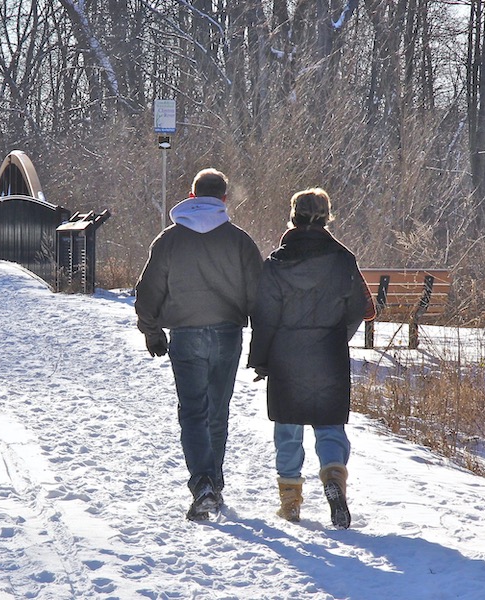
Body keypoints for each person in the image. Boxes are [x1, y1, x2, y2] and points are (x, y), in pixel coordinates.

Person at [135, 168, 263, 521]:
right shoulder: (239, 241)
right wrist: (263, 343)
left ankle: (202, 483)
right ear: (223, 199)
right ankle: (214, 483)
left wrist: (151, 328)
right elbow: (259, 293)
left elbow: (148, 290)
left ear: (192, 197)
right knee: (217, 411)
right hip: (226, 332)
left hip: (186, 334)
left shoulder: (169, 240)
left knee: (192, 411)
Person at [248, 187, 375, 529]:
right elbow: (359, 309)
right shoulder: (343, 259)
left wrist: (261, 359)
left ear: (294, 216)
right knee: (330, 425)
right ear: (327, 217)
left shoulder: (275, 262)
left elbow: (263, 316)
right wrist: (336, 338)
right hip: (328, 354)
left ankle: (290, 501)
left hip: (286, 356)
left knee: (288, 429)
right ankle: (334, 477)